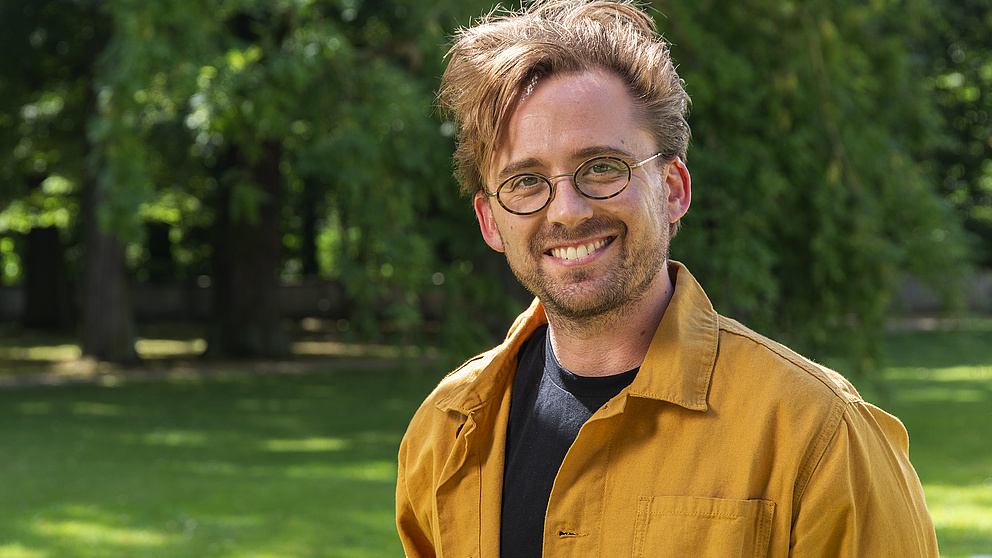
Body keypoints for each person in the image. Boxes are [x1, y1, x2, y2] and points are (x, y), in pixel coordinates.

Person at [396, 0, 940, 556]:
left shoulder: (817, 433)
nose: (566, 210)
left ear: (674, 187)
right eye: (526, 181)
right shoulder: (445, 432)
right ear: (490, 220)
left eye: (603, 167)